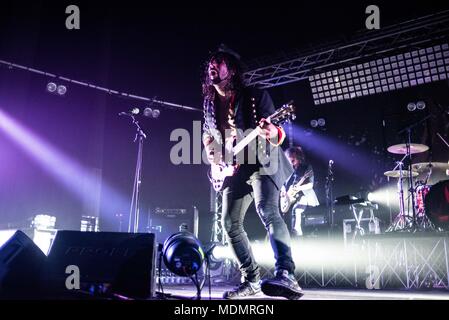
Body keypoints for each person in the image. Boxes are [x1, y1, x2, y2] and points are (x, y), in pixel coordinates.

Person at [201, 45, 303, 300]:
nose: (213, 65)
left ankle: (287, 274)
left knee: (267, 209)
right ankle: (251, 279)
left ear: (231, 69)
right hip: (235, 168)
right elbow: (207, 134)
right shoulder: (209, 103)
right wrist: (214, 158)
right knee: (229, 223)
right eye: (210, 63)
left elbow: (276, 132)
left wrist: (274, 132)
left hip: (262, 161)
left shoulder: (255, 95)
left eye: (219, 62)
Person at [282, 146, 319, 237]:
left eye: (293, 159)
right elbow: (282, 182)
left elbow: (310, 185)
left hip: (304, 195)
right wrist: (283, 190)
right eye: (289, 158)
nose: (291, 161)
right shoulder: (288, 168)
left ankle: (297, 233)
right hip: (288, 197)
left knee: (297, 209)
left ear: (298, 157)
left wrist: (298, 188)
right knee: (284, 216)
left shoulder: (306, 167)